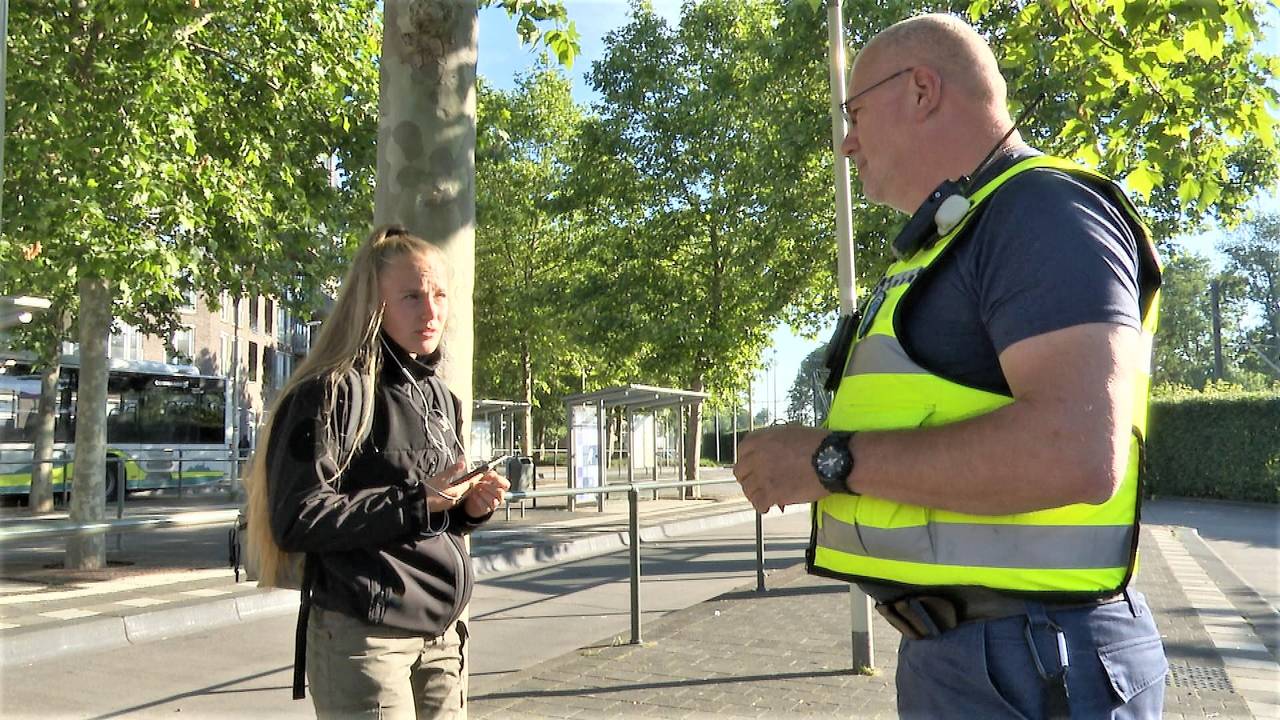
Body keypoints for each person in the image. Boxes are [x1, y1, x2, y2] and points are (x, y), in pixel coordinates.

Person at [733, 13, 1166, 719]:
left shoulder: (1042, 211)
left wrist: (826, 462)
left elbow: (1077, 453)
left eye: (855, 112)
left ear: (923, 90)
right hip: (987, 658)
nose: (846, 143)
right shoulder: (958, 236)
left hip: (1034, 661)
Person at [243, 224, 508, 719]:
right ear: (373, 303)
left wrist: (466, 509)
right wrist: (418, 499)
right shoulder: (329, 394)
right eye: (411, 296)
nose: (431, 312)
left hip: (443, 639)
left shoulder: (440, 397)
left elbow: (424, 513)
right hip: (367, 640)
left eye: (439, 295)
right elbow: (297, 517)